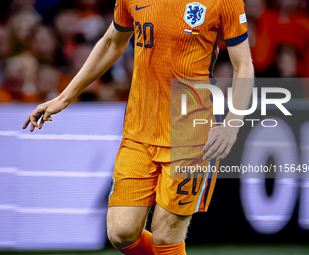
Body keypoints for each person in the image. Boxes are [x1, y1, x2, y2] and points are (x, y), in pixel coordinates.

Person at [23, 0, 254, 254]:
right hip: (139, 131)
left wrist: (231, 124)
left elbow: (242, 65)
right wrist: (64, 97)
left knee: (166, 236)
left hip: (191, 134)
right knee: (121, 233)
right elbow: (113, 42)